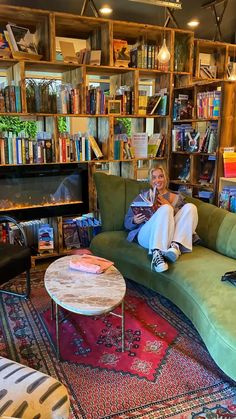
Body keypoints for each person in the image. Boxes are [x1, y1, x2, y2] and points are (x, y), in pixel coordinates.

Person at [124, 165, 199, 273]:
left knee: (191, 207)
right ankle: (156, 253)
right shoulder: (143, 197)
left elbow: (184, 222)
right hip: (147, 236)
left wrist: (170, 206)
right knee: (166, 208)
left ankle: (176, 246)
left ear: (166, 178)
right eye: (154, 177)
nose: (157, 180)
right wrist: (134, 220)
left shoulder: (177, 198)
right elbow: (126, 223)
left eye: (160, 176)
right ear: (150, 180)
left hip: (169, 237)